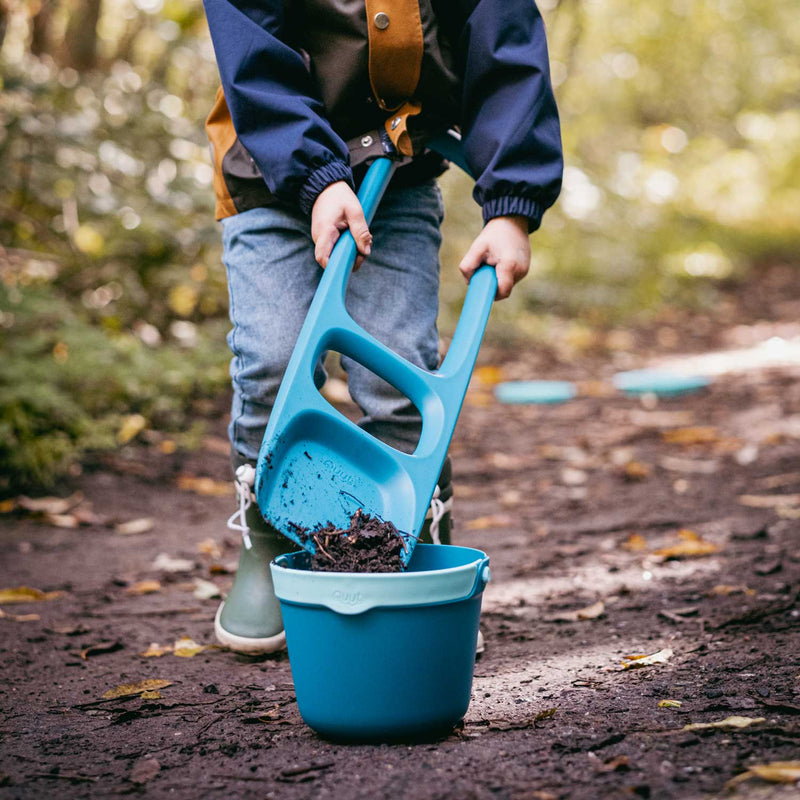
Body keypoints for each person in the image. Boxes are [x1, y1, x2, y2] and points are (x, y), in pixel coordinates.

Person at [202, 0, 563, 654]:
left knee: (396, 372)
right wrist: (316, 174)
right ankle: (271, 536)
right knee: (273, 358)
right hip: (271, 173)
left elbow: (504, 45)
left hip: (394, 175)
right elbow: (252, 50)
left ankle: (412, 541)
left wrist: (511, 200)